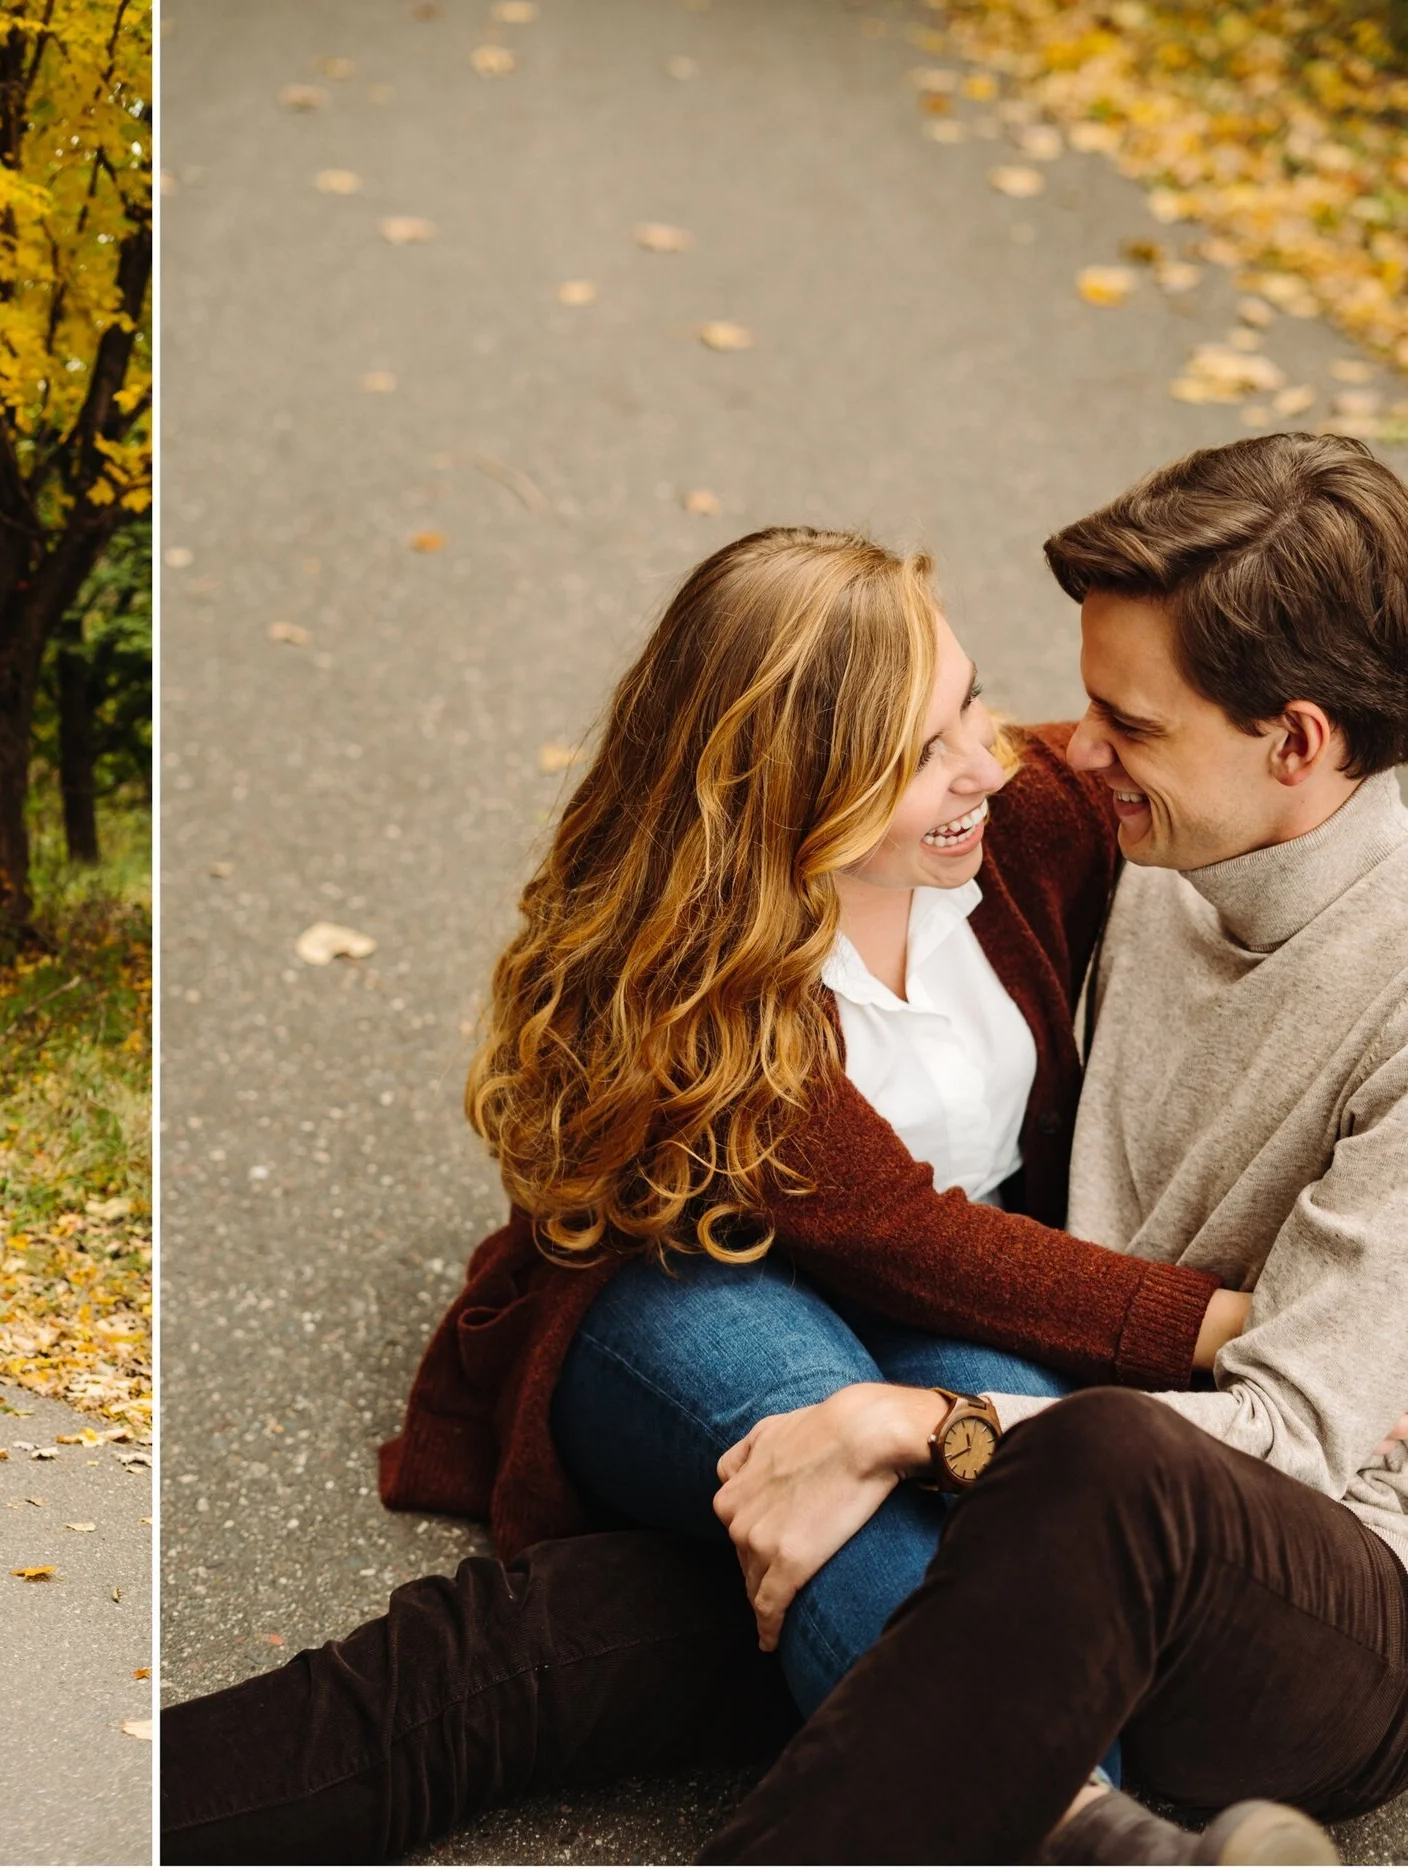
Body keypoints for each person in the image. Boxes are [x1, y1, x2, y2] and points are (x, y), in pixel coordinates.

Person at [166, 435, 1408, 1862]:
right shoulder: (1123, 835)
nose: (1041, 754)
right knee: (551, 1614)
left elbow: (1278, 1427)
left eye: (1120, 720)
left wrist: (911, 1426)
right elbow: (898, 1229)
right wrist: (1194, 1322)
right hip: (795, 1324)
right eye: (936, 745)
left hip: (1154, 1491)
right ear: (801, 785)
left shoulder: (1076, 835)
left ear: (1297, 742)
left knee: (608, 1621)